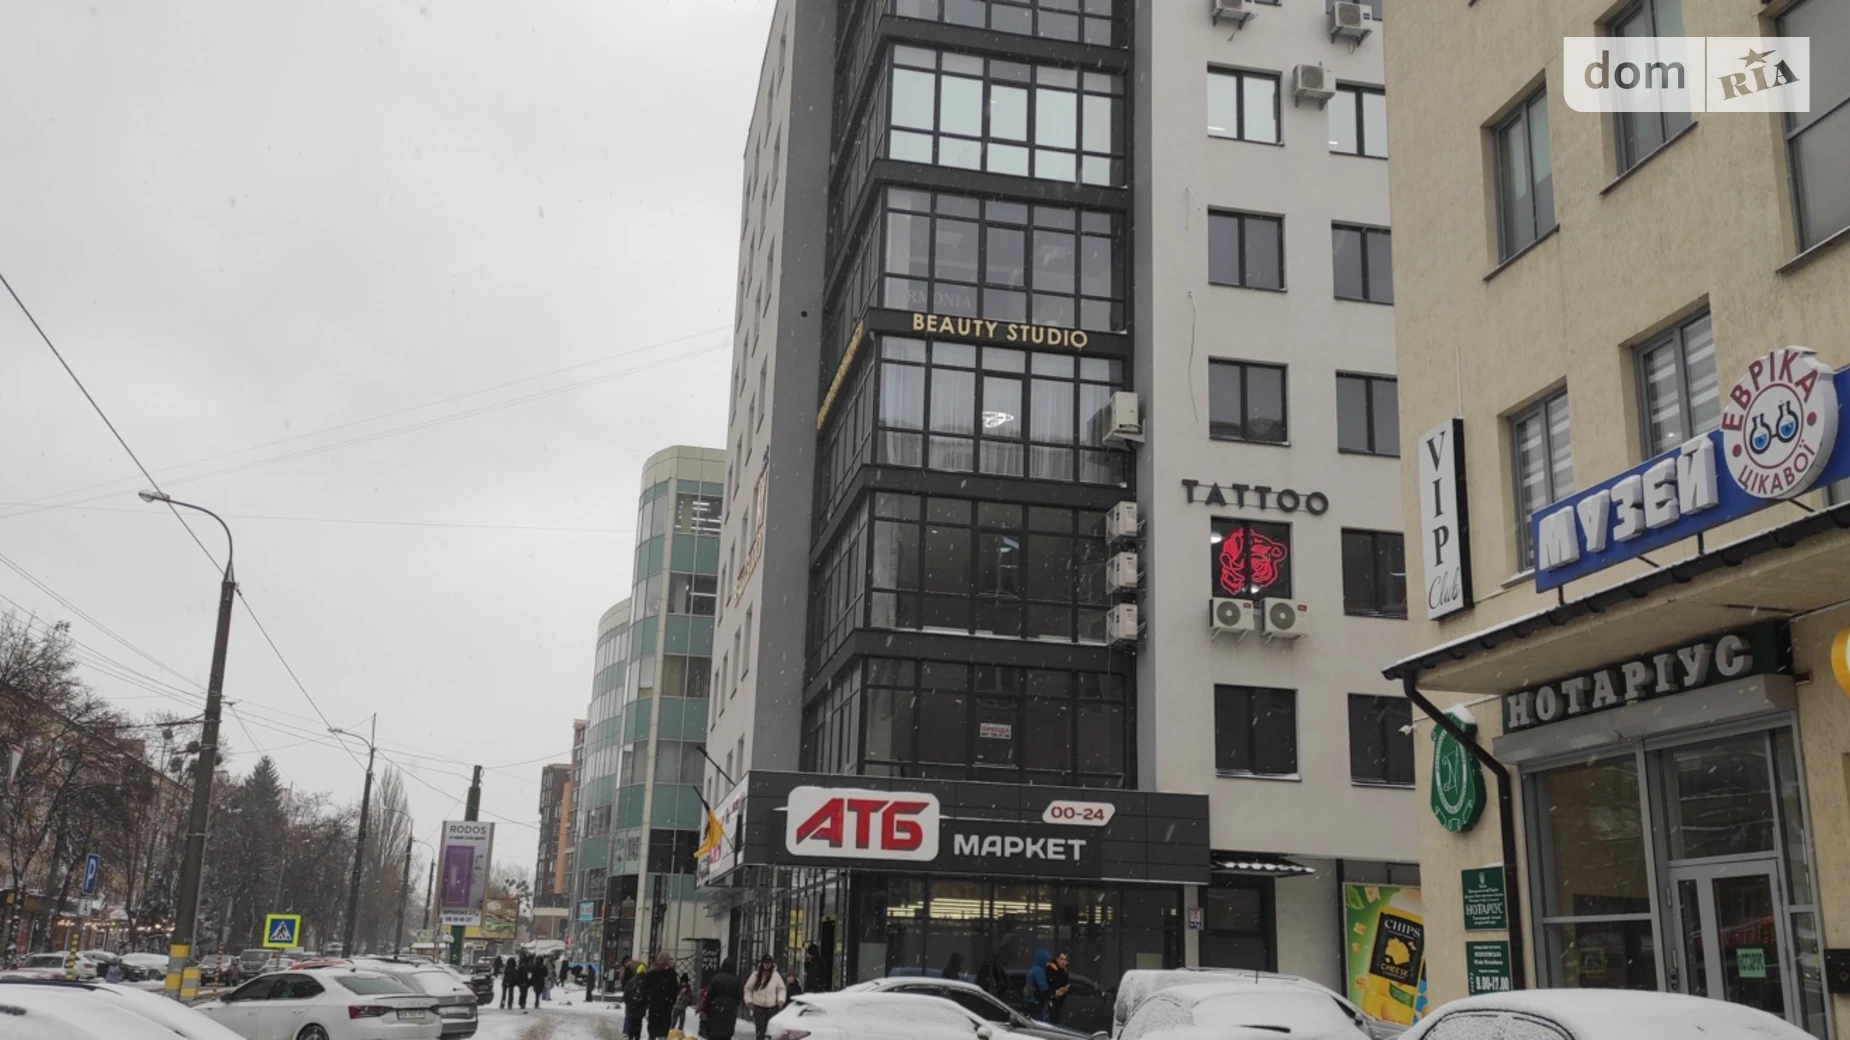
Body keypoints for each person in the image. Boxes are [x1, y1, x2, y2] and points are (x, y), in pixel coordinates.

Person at [742, 955, 786, 1040]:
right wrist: (749, 1001)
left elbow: (781, 989)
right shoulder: (756, 975)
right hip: (758, 1007)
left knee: (770, 1032)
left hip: (772, 1007)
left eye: (769, 963)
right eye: (765, 963)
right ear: (762, 963)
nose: (767, 965)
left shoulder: (776, 975)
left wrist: (780, 1000)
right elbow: (748, 988)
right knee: (760, 1031)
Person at [642, 954, 680, 1040]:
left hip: (655, 1005)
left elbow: (645, 988)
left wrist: (649, 999)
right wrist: (671, 1001)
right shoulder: (671, 974)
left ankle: (653, 1037)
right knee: (662, 1029)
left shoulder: (652, 973)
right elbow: (675, 990)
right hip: (664, 1006)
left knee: (654, 1028)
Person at [704, 957, 743, 1040]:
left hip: (716, 1006)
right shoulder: (736, 980)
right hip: (730, 1007)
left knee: (715, 1031)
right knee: (726, 1032)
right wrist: (733, 1003)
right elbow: (739, 995)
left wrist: (707, 1009)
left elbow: (710, 995)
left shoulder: (716, 978)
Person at [622, 961, 648, 1040]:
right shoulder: (646, 982)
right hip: (640, 1009)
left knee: (631, 1024)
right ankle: (637, 1037)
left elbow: (625, 996)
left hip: (631, 1008)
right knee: (638, 1025)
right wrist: (645, 1006)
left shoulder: (631, 981)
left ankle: (630, 1037)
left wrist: (629, 1004)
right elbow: (648, 996)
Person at [1024, 950, 1052, 1022]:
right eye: (1047, 961)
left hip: (1030, 1000)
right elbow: (1043, 988)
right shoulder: (1039, 971)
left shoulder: (1032, 969)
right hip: (1036, 1002)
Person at [1044, 951, 1072, 1024]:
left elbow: (1067, 985)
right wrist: (1055, 992)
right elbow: (1045, 986)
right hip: (1048, 1003)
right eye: (1061, 959)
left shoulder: (1064, 972)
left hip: (1059, 1004)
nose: (1063, 962)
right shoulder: (1050, 969)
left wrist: (1064, 990)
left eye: (1065, 960)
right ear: (1057, 959)